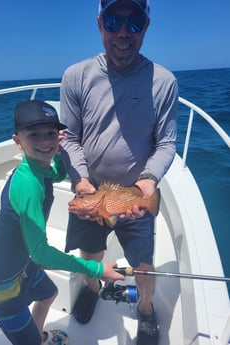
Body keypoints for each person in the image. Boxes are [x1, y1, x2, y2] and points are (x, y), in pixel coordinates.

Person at [59, 0, 178, 344]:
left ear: (146, 26)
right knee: (90, 253)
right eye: (113, 22)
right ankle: (93, 289)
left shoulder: (164, 81)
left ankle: (144, 308)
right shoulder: (76, 76)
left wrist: (148, 180)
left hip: (136, 196)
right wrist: (80, 179)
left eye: (134, 21)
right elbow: (70, 136)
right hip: (90, 192)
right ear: (100, 24)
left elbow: (167, 142)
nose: (123, 32)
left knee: (143, 263)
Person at [0, 100, 124, 345]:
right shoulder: (28, 185)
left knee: (49, 294)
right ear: (17, 141)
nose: (45, 141)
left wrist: (61, 153)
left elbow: (57, 174)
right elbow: (40, 253)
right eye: (34, 135)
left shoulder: (36, 167)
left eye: (51, 134)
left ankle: (39, 336)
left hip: (19, 266)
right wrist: (97, 270)